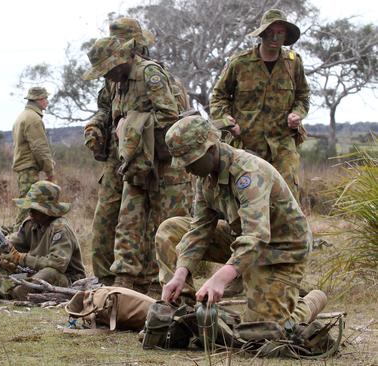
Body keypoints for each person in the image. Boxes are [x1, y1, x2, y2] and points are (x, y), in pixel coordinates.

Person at [159, 115, 314, 325]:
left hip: (281, 250)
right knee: (170, 229)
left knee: (262, 331)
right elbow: (200, 229)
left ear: (211, 148)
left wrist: (220, 278)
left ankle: (309, 301)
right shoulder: (204, 177)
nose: (187, 169)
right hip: (241, 243)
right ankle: (185, 314)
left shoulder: (249, 173)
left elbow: (257, 236)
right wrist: (180, 272)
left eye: (191, 161)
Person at [84, 17, 189, 288]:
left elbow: (170, 117)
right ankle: (122, 280)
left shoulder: (151, 73)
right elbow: (109, 110)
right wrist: (99, 126)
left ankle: (171, 283)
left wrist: (130, 127)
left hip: (163, 162)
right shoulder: (117, 82)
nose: (106, 76)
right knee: (126, 222)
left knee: (167, 224)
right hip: (133, 161)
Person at [210, 9, 309, 203]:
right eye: (270, 31)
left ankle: (290, 234)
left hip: (282, 144)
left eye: (280, 32)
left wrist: (297, 114)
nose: (274, 37)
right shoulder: (240, 63)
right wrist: (227, 121)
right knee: (246, 198)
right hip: (247, 145)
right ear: (262, 33)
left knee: (287, 199)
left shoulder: (293, 63)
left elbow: (302, 95)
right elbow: (219, 96)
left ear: (286, 35)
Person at [0, 181, 85, 300]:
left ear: (48, 211)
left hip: (65, 278)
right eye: (30, 208)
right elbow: (13, 245)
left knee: (48, 273)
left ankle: (14, 292)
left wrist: (22, 258)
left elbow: (58, 264)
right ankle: (18, 292)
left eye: (35, 209)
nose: (30, 213)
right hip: (33, 274)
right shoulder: (30, 224)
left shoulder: (60, 229)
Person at [11, 86, 55, 228]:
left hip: (24, 168)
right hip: (28, 168)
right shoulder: (33, 118)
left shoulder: (23, 116)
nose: (47, 102)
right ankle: (16, 237)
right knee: (28, 205)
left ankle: (19, 236)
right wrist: (49, 170)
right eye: (46, 98)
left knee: (28, 203)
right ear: (39, 100)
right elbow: (40, 148)